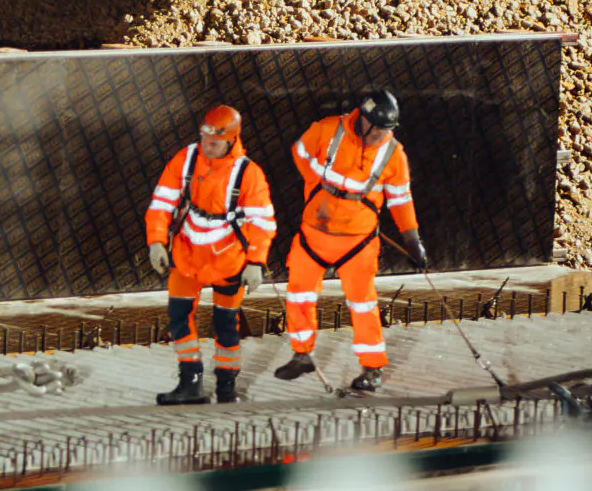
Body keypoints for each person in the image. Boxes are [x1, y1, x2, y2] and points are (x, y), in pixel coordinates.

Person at [276, 90, 425, 394]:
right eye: (379, 129)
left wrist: (412, 240)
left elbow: (400, 199)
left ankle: (372, 368)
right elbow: (300, 152)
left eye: (387, 130)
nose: (381, 136)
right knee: (299, 295)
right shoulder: (327, 130)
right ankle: (302, 354)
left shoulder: (393, 153)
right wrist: (316, 188)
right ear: (364, 120)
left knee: (363, 303)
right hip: (314, 234)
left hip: (358, 241)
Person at [147, 105, 275, 405]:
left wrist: (256, 262)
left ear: (232, 139)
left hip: (228, 258)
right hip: (187, 252)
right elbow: (163, 200)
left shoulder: (248, 173)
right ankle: (189, 382)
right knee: (178, 316)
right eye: (204, 139)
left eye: (214, 142)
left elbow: (262, 223)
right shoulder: (186, 158)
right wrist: (156, 242)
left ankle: (226, 385)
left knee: (226, 322)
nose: (207, 146)